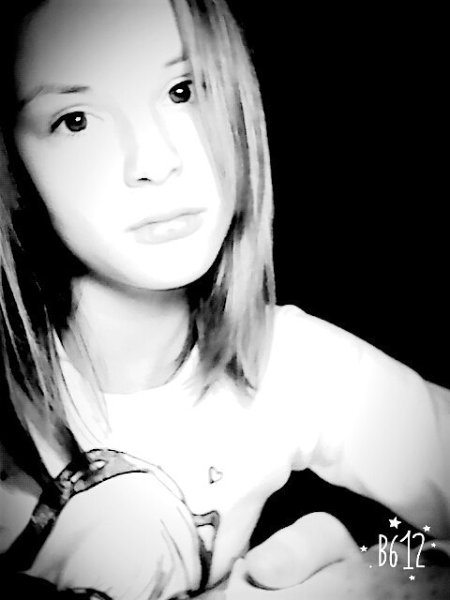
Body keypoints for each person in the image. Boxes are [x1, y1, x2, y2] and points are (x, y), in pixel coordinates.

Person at [0, 0, 449, 598]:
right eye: (75, 120)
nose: (156, 161)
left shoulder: (292, 365)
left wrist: (394, 574)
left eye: (183, 91)